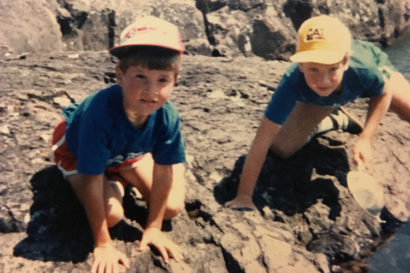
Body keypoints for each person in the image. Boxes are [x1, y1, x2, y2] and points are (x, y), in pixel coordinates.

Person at [225, 15, 410, 210]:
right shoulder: (292, 82)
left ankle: (335, 104)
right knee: (281, 147)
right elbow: (261, 140)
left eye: (332, 69)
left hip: (366, 79)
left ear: (346, 61)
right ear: (300, 65)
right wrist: (244, 195)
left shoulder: (364, 68)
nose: (323, 80)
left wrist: (365, 139)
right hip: (321, 100)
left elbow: (383, 93)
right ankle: (335, 118)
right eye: (313, 69)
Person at [51, 16, 187, 272]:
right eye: (141, 76)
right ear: (120, 75)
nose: (151, 90)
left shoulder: (167, 116)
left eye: (162, 80)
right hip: (80, 156)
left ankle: (161, 161)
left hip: (126, 155)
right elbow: (91, 179)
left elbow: (163, 171)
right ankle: (117, 180)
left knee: (171, 208)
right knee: (111, 216)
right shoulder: (99, 114)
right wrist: (103, 244)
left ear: (175, 80)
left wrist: (154, 228)